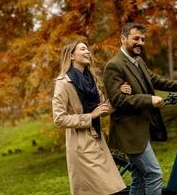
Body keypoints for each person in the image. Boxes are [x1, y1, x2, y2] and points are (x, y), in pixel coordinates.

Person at [103, 22, 177, 195]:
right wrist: (149, 99)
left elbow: (154, 79)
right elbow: (118, 100)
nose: (140, 43)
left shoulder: (138, 61)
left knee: (139, 178)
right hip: (129, 131)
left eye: (143, 39)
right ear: (123, 39)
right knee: (154, 174)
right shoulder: (114, 65)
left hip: (141, 128)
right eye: (136, 38)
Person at [52, 41, 128, 195]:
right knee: (109, 190)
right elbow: (58, 119)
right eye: (83, 49)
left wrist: (119, 94)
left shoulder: (91, 80)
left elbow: (102, 109)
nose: (88, 52)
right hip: (81, 145)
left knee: (112, 188)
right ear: (72, 55)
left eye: (88, 49)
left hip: (98, 141)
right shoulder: (63, 82)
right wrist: (90, 116)